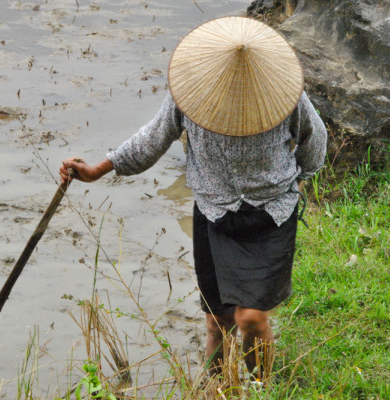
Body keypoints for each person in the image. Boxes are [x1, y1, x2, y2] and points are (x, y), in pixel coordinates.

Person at [59, 16, 327, 380]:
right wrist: (97, 170)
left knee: (251, 318)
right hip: (214, 213)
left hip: (271, 214)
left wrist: (300, 181)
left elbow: (315, 139)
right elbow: (151, 140)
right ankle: (214, 386)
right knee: (217, 320)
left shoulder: (283, 95)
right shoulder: (191, 96)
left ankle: (263, 387)